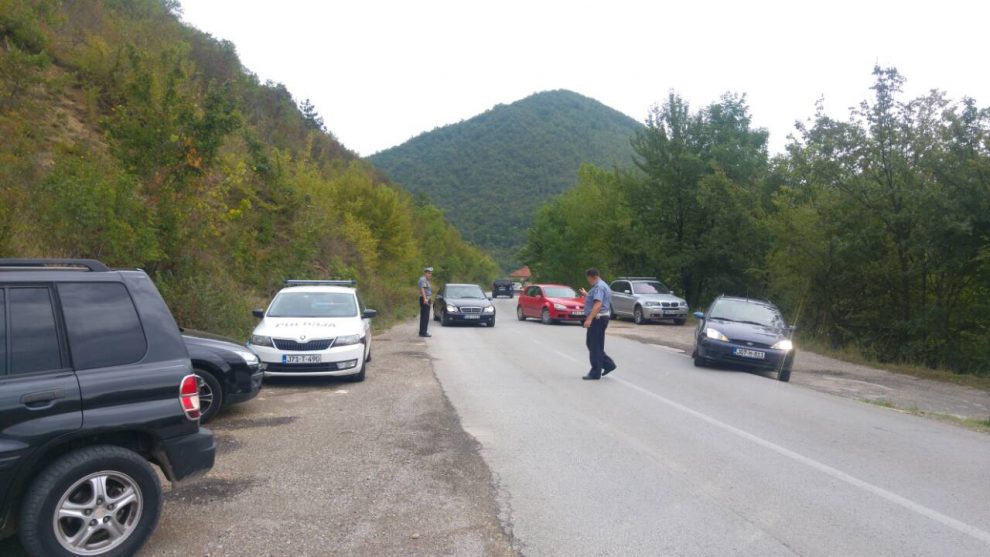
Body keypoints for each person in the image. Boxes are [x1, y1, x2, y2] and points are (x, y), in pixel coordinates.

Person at [578, 268, 616, 380]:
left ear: (593, 277)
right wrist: (586, 294)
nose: (588, 281)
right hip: (600, 318)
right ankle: (608, 364)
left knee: (595, 346)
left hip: (597, 319)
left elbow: (598, 304)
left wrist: (589, 318)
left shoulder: (599, 287)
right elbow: (597, 299)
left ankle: (595, 372)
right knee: (592, 344)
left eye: (589, 279)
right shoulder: (602, 285)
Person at [418, 267, 433, 338]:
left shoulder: (426, 280)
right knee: (425, 317)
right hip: (425, 299)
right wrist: (425, 299)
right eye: (428, 273)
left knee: (425, 316)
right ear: (425, 273)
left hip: (426, 299)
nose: (430, 275)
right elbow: (422, 289)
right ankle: (423, 332)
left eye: (430, 273)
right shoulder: (423, 279)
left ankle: (422, 332)